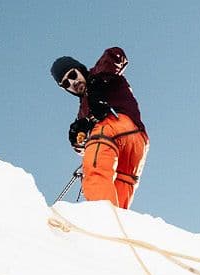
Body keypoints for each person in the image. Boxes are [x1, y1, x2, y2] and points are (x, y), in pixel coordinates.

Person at [50, 47, 148, 209]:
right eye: (66, 83)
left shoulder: (99, 74)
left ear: (80, 69)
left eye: (73, 75)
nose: (73, 83)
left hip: (118, 125)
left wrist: (98, 80)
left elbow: (116, 55)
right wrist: (78, 139)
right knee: (120, 186)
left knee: (94, 171)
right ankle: (117, 219)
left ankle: (103, 215)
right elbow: (84, 145)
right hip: (135, 143)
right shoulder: (83, 112)